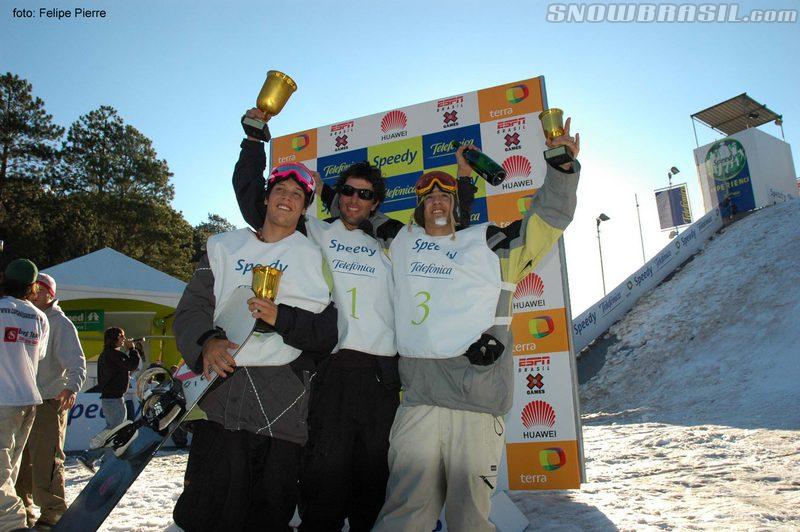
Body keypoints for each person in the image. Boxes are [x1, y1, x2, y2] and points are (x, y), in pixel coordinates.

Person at [232, 108, 478, 531]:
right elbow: (260, 206)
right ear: (337, 194)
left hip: (381, 378)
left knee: (373, 488)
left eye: (365, 195)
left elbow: (450, 236)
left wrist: (467, 179)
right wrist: (254, 143)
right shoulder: (314, 233)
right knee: (321, 484)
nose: (353, 200)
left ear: (376, 203)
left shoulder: (396, 242)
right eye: (347, 191)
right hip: (328, 371)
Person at [374, 119, 581, 531]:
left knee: (470, 519)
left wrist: (560, 163)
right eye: (428, 196)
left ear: (456, 205)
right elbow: (354, 211)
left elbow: (547, 219)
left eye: (445, 195)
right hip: (420, 401)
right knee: (404, 514)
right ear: (418, 208)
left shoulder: (492, 245)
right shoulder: (401, 242)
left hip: (476, 402)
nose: (437, 201)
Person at [172, 161, 338, 531]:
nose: (287, 198)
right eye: (280, 190)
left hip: (281, 403)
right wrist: (207, 342)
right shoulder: (223, 247)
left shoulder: (318, 257)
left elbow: (328, 334)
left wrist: (282, 319)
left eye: (298, 195)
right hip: (221, 393)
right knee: (209, 509)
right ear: (265, 198)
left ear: (305, 207)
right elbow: (191, 308)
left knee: (267, 512)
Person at [14, 273, 86, 529]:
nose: (34, 293)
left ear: (51, 294)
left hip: (49, 400)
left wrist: (71, 387)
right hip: (22, 400)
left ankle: (53, 511)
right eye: (33, 288)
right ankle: (22, 509)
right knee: (20, 460)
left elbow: (77, 362)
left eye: (40, 289)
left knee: (47, 458)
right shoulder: (23, 316)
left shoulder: (60, 323)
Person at [0, 259, 49, 531]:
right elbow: (37, 354)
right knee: (10, 468)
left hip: (3, 399)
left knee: (1, 471)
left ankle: (14, 523)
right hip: (28, 398)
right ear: (32, 287)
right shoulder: (39, 316)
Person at [88, 327, 141, 448]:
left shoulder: (109, 354)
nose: (124, 339)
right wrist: (132, 349)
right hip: (113, 398)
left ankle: (102, 453)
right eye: (122, 336)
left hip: (114, 397)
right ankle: (93, 450)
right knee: (115, 429)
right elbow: (132, 365)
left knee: (117, 429)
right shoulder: (113, 354)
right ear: (116, 337)